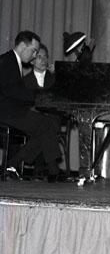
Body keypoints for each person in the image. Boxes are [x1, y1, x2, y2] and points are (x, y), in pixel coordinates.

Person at [0, 31, 61, 181]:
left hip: (10, 110)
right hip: (6, 112)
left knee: (45, 127)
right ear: (22, 46)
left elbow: (13, 91)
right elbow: (10, 90)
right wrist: (37, 96)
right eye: (34, 51)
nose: (34, 56)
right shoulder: (8, 61)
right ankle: (53, 170)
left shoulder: (12, 60)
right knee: (46, 125)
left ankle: (11, 165)